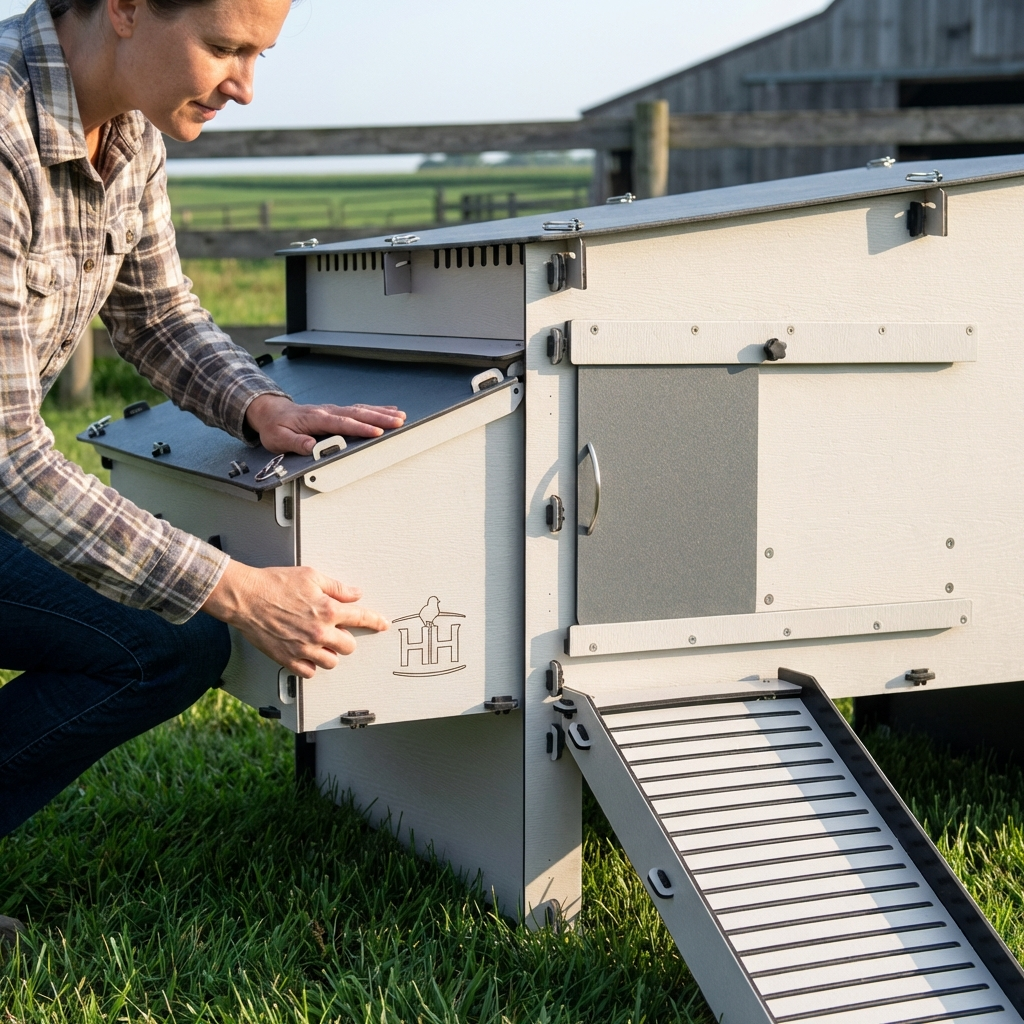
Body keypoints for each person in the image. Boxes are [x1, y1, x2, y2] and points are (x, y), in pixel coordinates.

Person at [0, 0, 406, 943]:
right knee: (195, 619)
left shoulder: (129, 132)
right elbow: (12, 459)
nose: (244, 85)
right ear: (127, 9)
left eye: (259, 53)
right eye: (225, 48)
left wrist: (259, 405)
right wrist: (241, 589)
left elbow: (156, 312)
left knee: (167, 643)